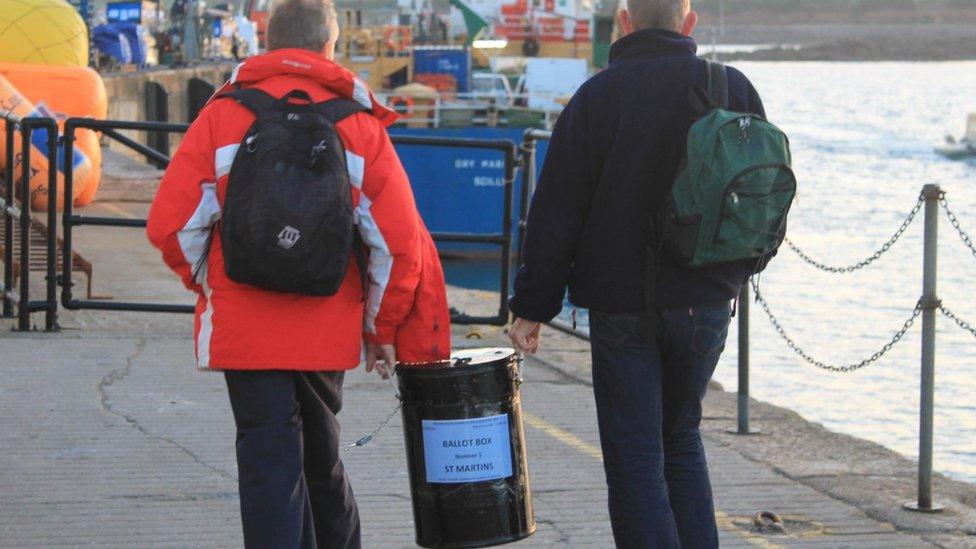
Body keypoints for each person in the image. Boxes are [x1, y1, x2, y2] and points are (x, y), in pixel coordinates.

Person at [146, 0, 450, 547]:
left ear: (268, 42)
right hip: (325, 329)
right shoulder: (358, 125)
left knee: (269, 466)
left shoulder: (223, 116)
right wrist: (380, 331)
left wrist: (211, 284)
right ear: (330, 46)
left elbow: (171, 226)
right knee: (321, 461)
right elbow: (398, 247)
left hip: (245, 330)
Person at [508, 0, 767, 547]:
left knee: (635, 463)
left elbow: (556, 211)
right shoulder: (732, 87)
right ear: (688, 23)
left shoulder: (598, 96)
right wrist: (737, 274)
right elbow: (763, 197)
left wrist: (533, 305)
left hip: (621, 307)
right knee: (683, 440)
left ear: (624, 23)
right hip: (706, 302)